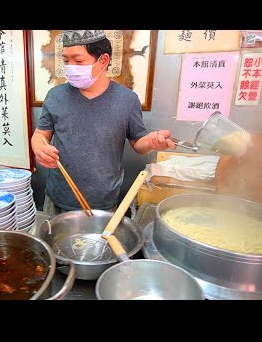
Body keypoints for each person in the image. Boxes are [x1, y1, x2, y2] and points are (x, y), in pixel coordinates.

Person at [31, 30, 176, 215]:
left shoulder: (127, 100)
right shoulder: (55, 96)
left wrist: (152, 142)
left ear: (103, 60)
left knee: (98, 245)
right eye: (66, 61)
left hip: (104, 201)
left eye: (79, 61)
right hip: (58, 196)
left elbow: (138, 143)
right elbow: (40, 135)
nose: (70, 67)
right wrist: (39, 148)